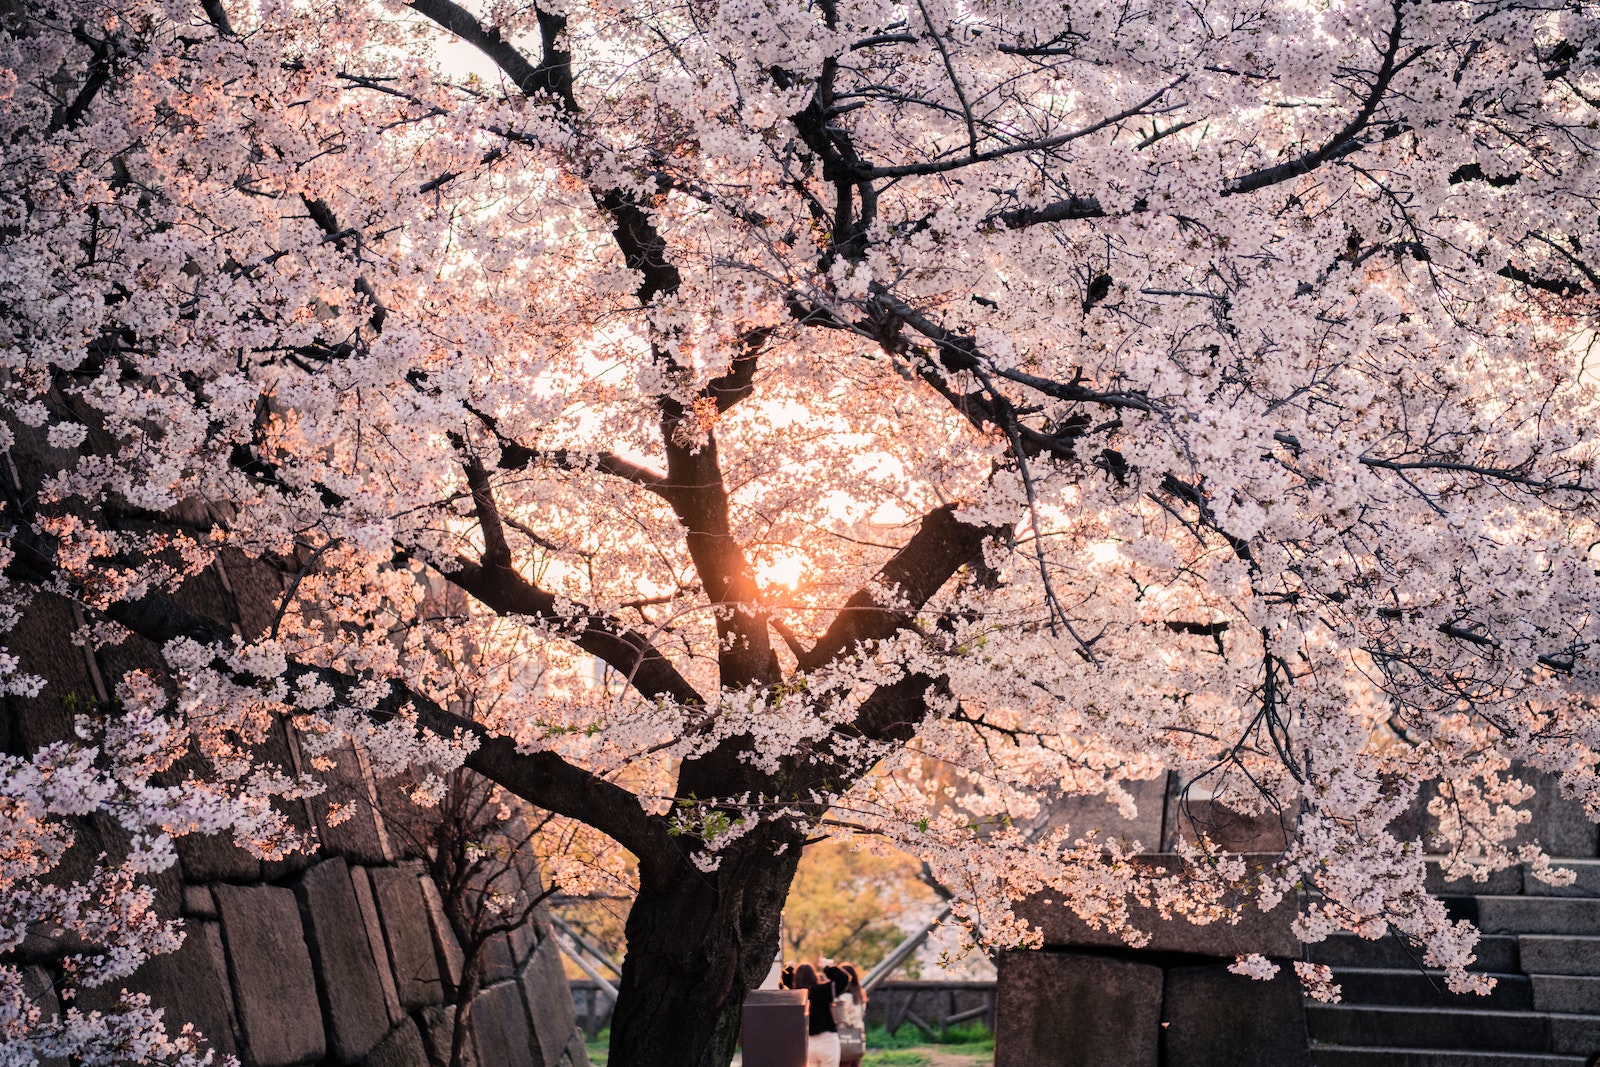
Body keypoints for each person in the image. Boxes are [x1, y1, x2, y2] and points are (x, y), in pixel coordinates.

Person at [792, 961, 850, 1067]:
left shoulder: (794, 996)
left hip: (806, 1043)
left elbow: (783, 984)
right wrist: (827, 967)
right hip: (827, 1040)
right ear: (814, 975)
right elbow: (844, 979)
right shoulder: (822, 990)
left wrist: (789, 969)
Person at [834, 962, 867, 1067]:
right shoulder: (860, 996)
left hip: (844, 1037)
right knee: (855, 1063)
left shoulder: (843, 998)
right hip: (858, 1036)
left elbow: (842, 1018)